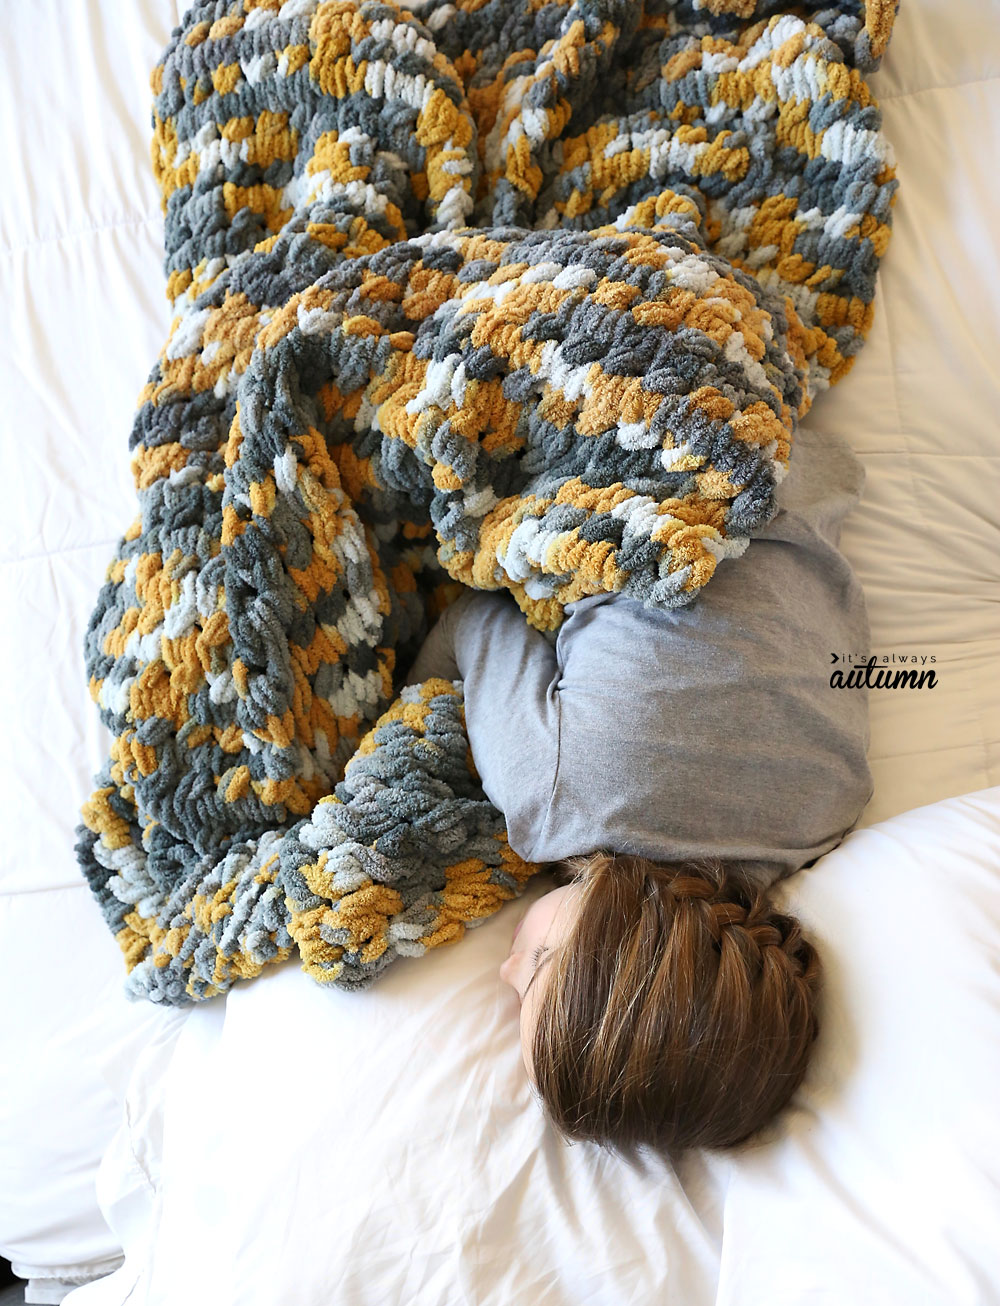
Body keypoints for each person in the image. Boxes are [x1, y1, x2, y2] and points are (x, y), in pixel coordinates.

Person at [402, 425, 873, 1161]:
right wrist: (410, 714)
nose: (503, 968)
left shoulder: (831, 811)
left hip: (792, 453)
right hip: (632, 433)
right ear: (598, 939)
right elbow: (474, 615)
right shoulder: (554, 798)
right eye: (532, 979)